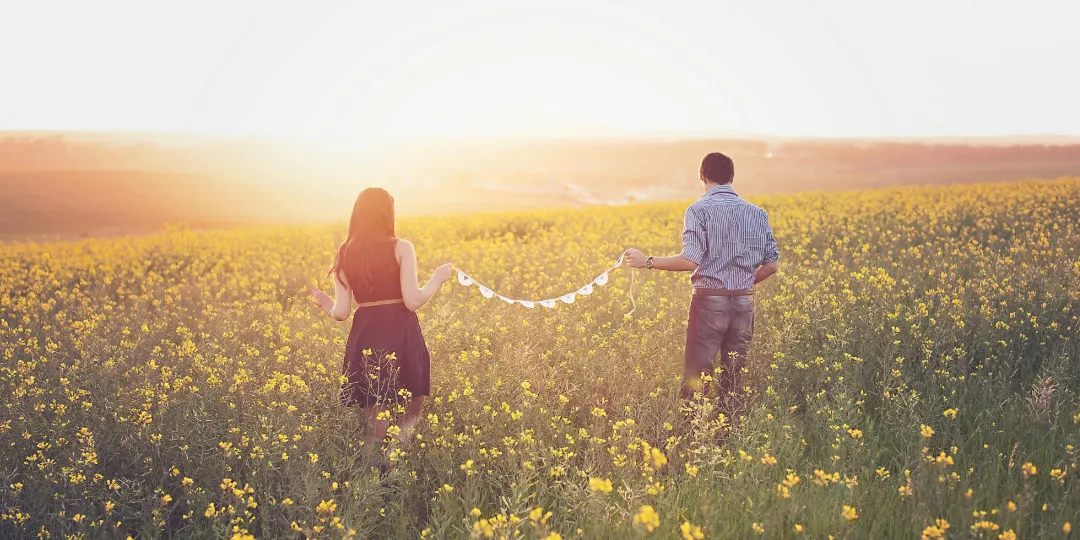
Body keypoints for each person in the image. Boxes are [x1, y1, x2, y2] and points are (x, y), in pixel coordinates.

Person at [625, 152, 779, 409]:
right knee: (733, 380)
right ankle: (729, 441)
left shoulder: (699, 210)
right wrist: (741, 284)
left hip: (709, 303)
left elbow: (690, 260)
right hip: (744, 303)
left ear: (703, 176)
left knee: (697, 379)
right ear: (731, 177)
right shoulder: (757, 213)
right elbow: (772, 265)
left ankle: (694, 438)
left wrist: (647, 261)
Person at [310, 187, 452, 457]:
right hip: (401, 334)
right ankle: (392, 471)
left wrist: (326, 305)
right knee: (410, 414)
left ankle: (371, 484)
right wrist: (437, 278)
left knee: (375, 425)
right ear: (387, 212)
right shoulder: (401, 247)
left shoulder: (344, 252)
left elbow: (341, 313)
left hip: (365, 336)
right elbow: (412, 300)